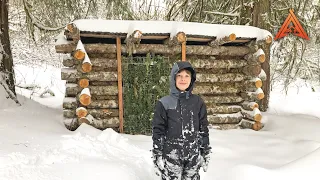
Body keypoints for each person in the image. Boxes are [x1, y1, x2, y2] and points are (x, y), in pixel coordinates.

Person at [152, 61, 211, 180]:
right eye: (179, 75)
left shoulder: (198, 102)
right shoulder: (164, 103)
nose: (183, 79)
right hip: (171, 154)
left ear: (191, 79)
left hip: (193, 154)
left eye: (186, 76)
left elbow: (203, 128)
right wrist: (157, 153)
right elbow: (158, 130)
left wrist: (205, 151)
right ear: (173, 78)